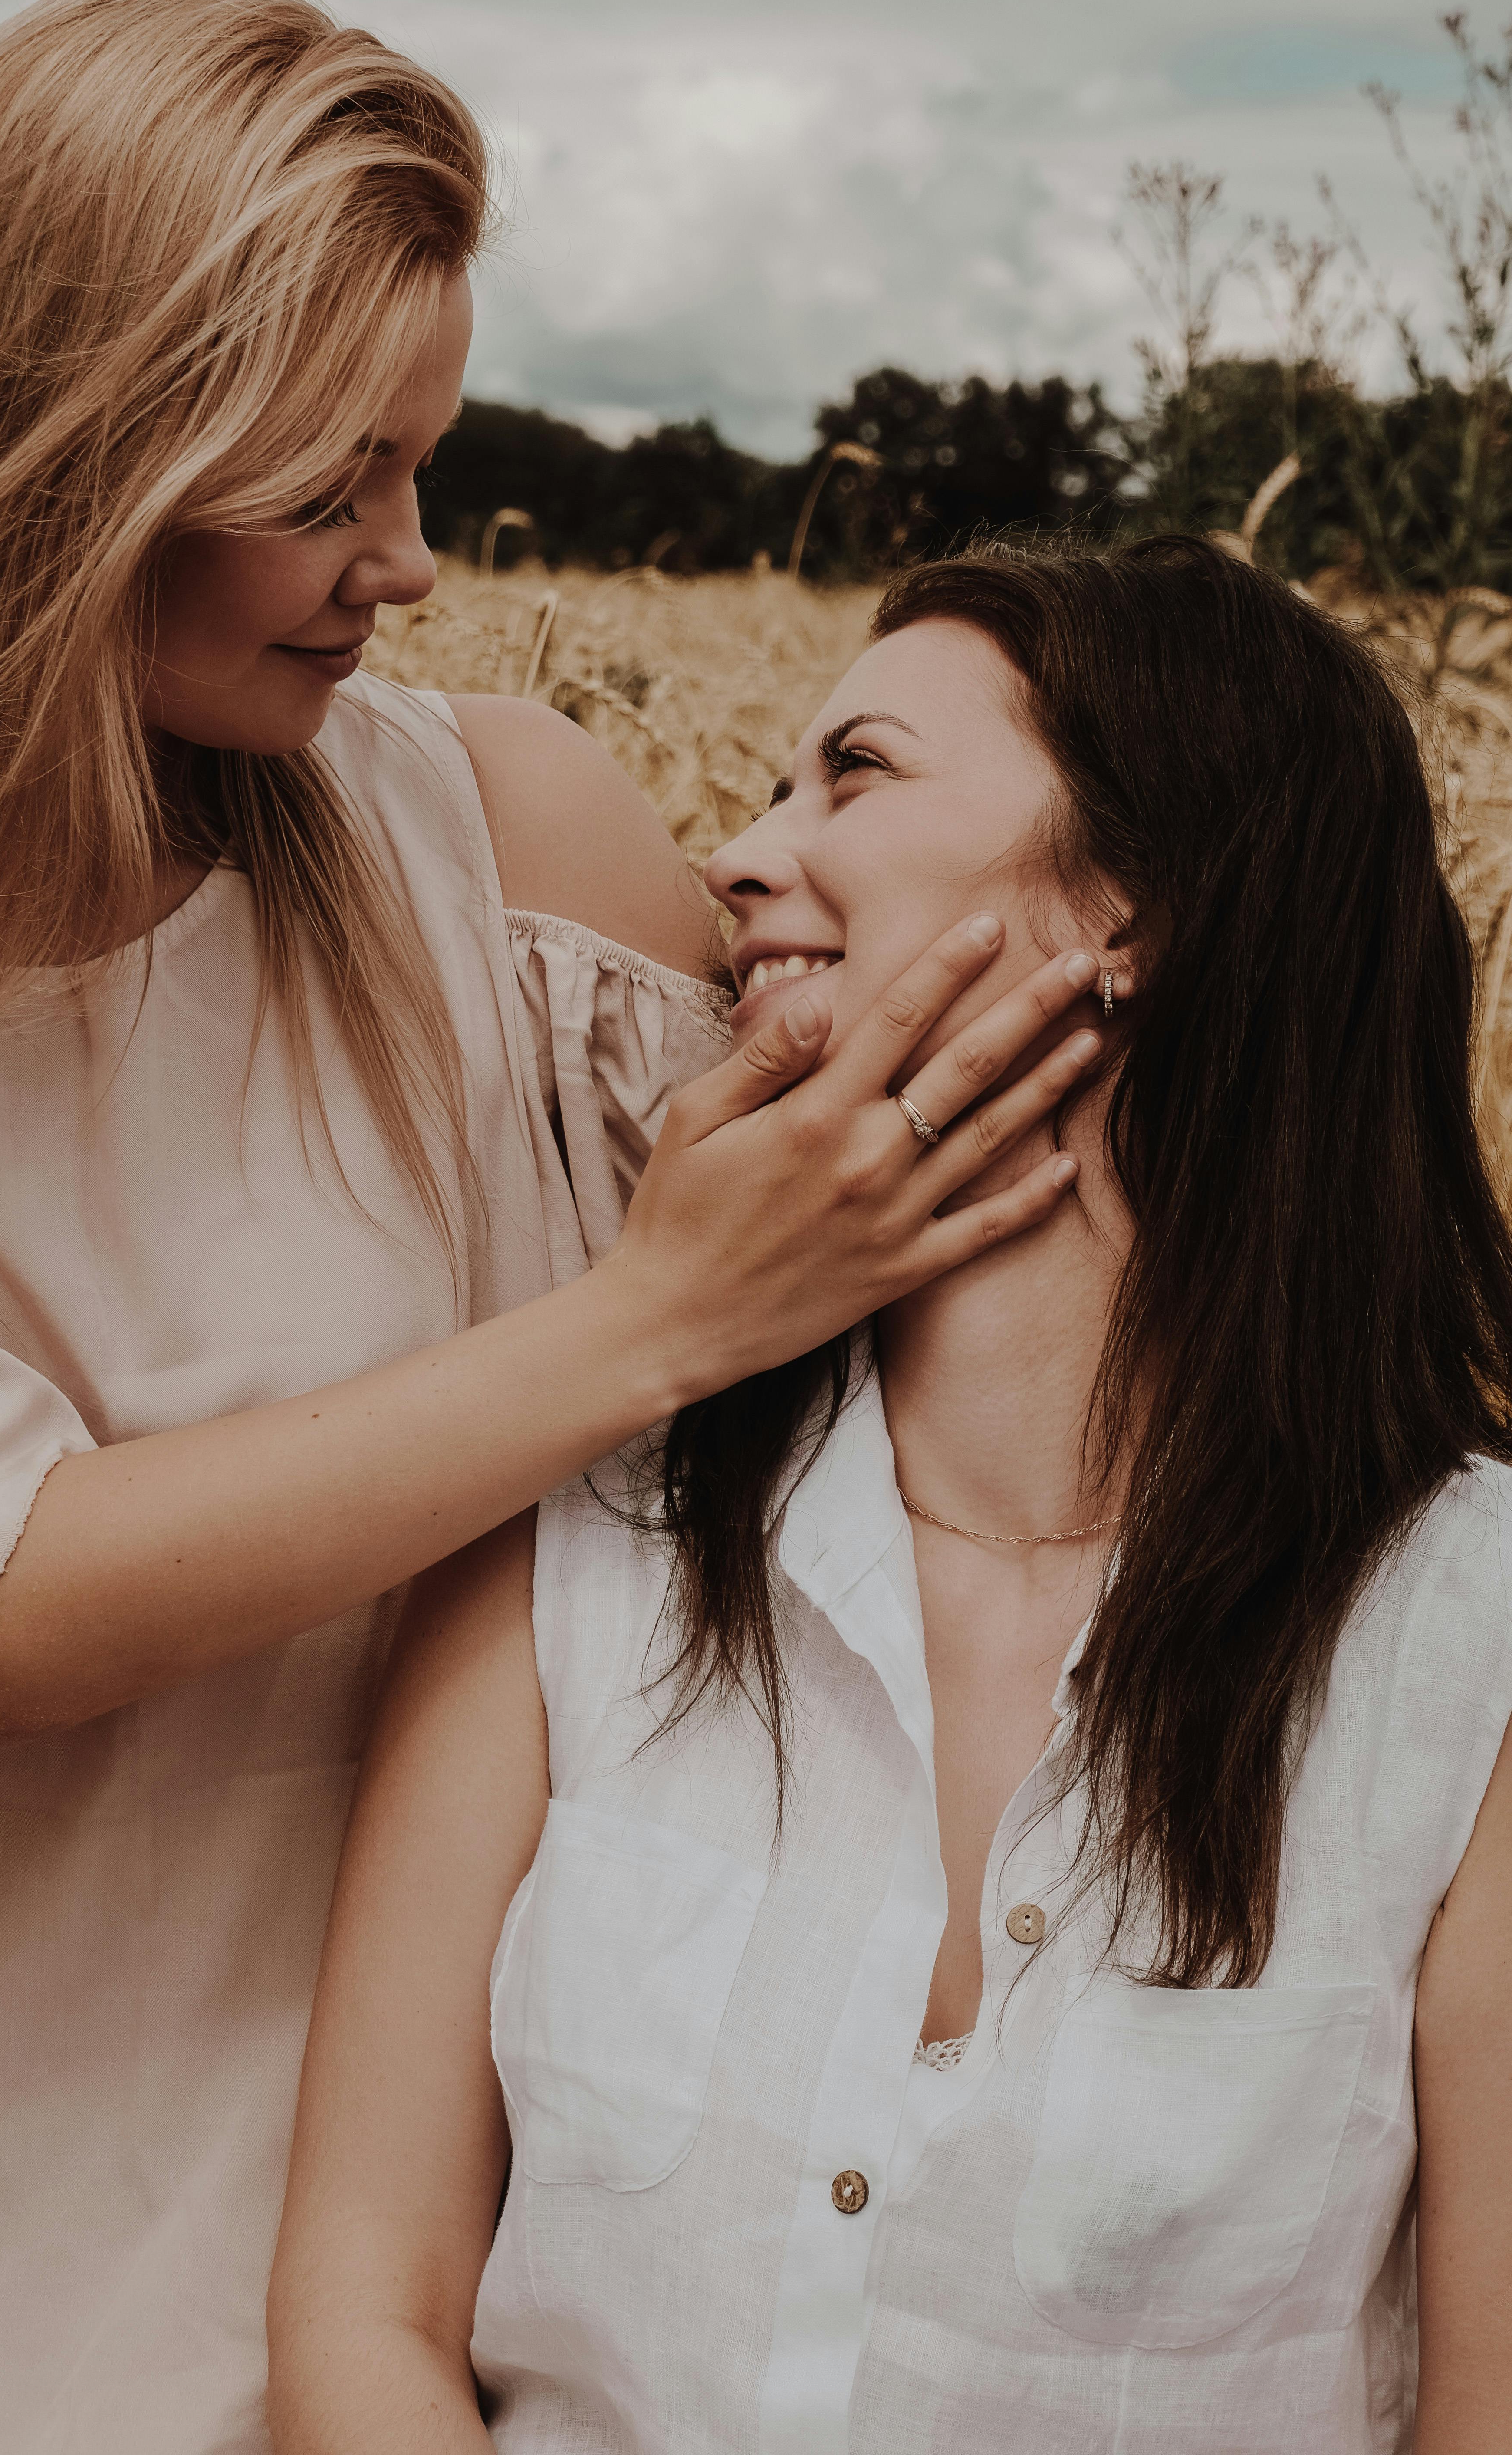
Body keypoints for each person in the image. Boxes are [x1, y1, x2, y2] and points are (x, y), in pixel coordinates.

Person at [0, 0, 1099, 2455]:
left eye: (426, 468)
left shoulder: (503, 845)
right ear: (60, 455)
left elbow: (921, 1324)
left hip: (429, 2277)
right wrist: (649, 1319)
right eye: (326, 485)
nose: (412, 562)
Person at [271, 536, 1512, 2455]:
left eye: (849, 775)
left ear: (1142, 898)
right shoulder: (567, 1542)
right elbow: (365, 2309)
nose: (742, 858)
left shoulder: (1466, 1651)